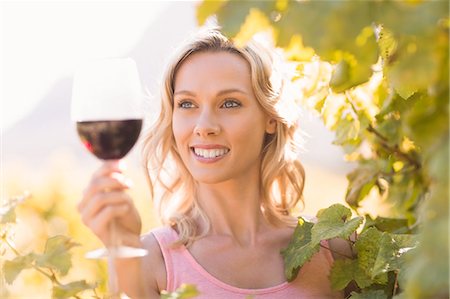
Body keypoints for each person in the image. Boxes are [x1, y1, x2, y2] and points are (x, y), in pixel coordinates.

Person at [78, 29, 348, 298]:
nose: (204, 126)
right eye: (186, 104)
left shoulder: (333, 248)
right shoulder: (151, 262)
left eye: (229, 103)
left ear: (270, 118)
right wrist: (124, 250)